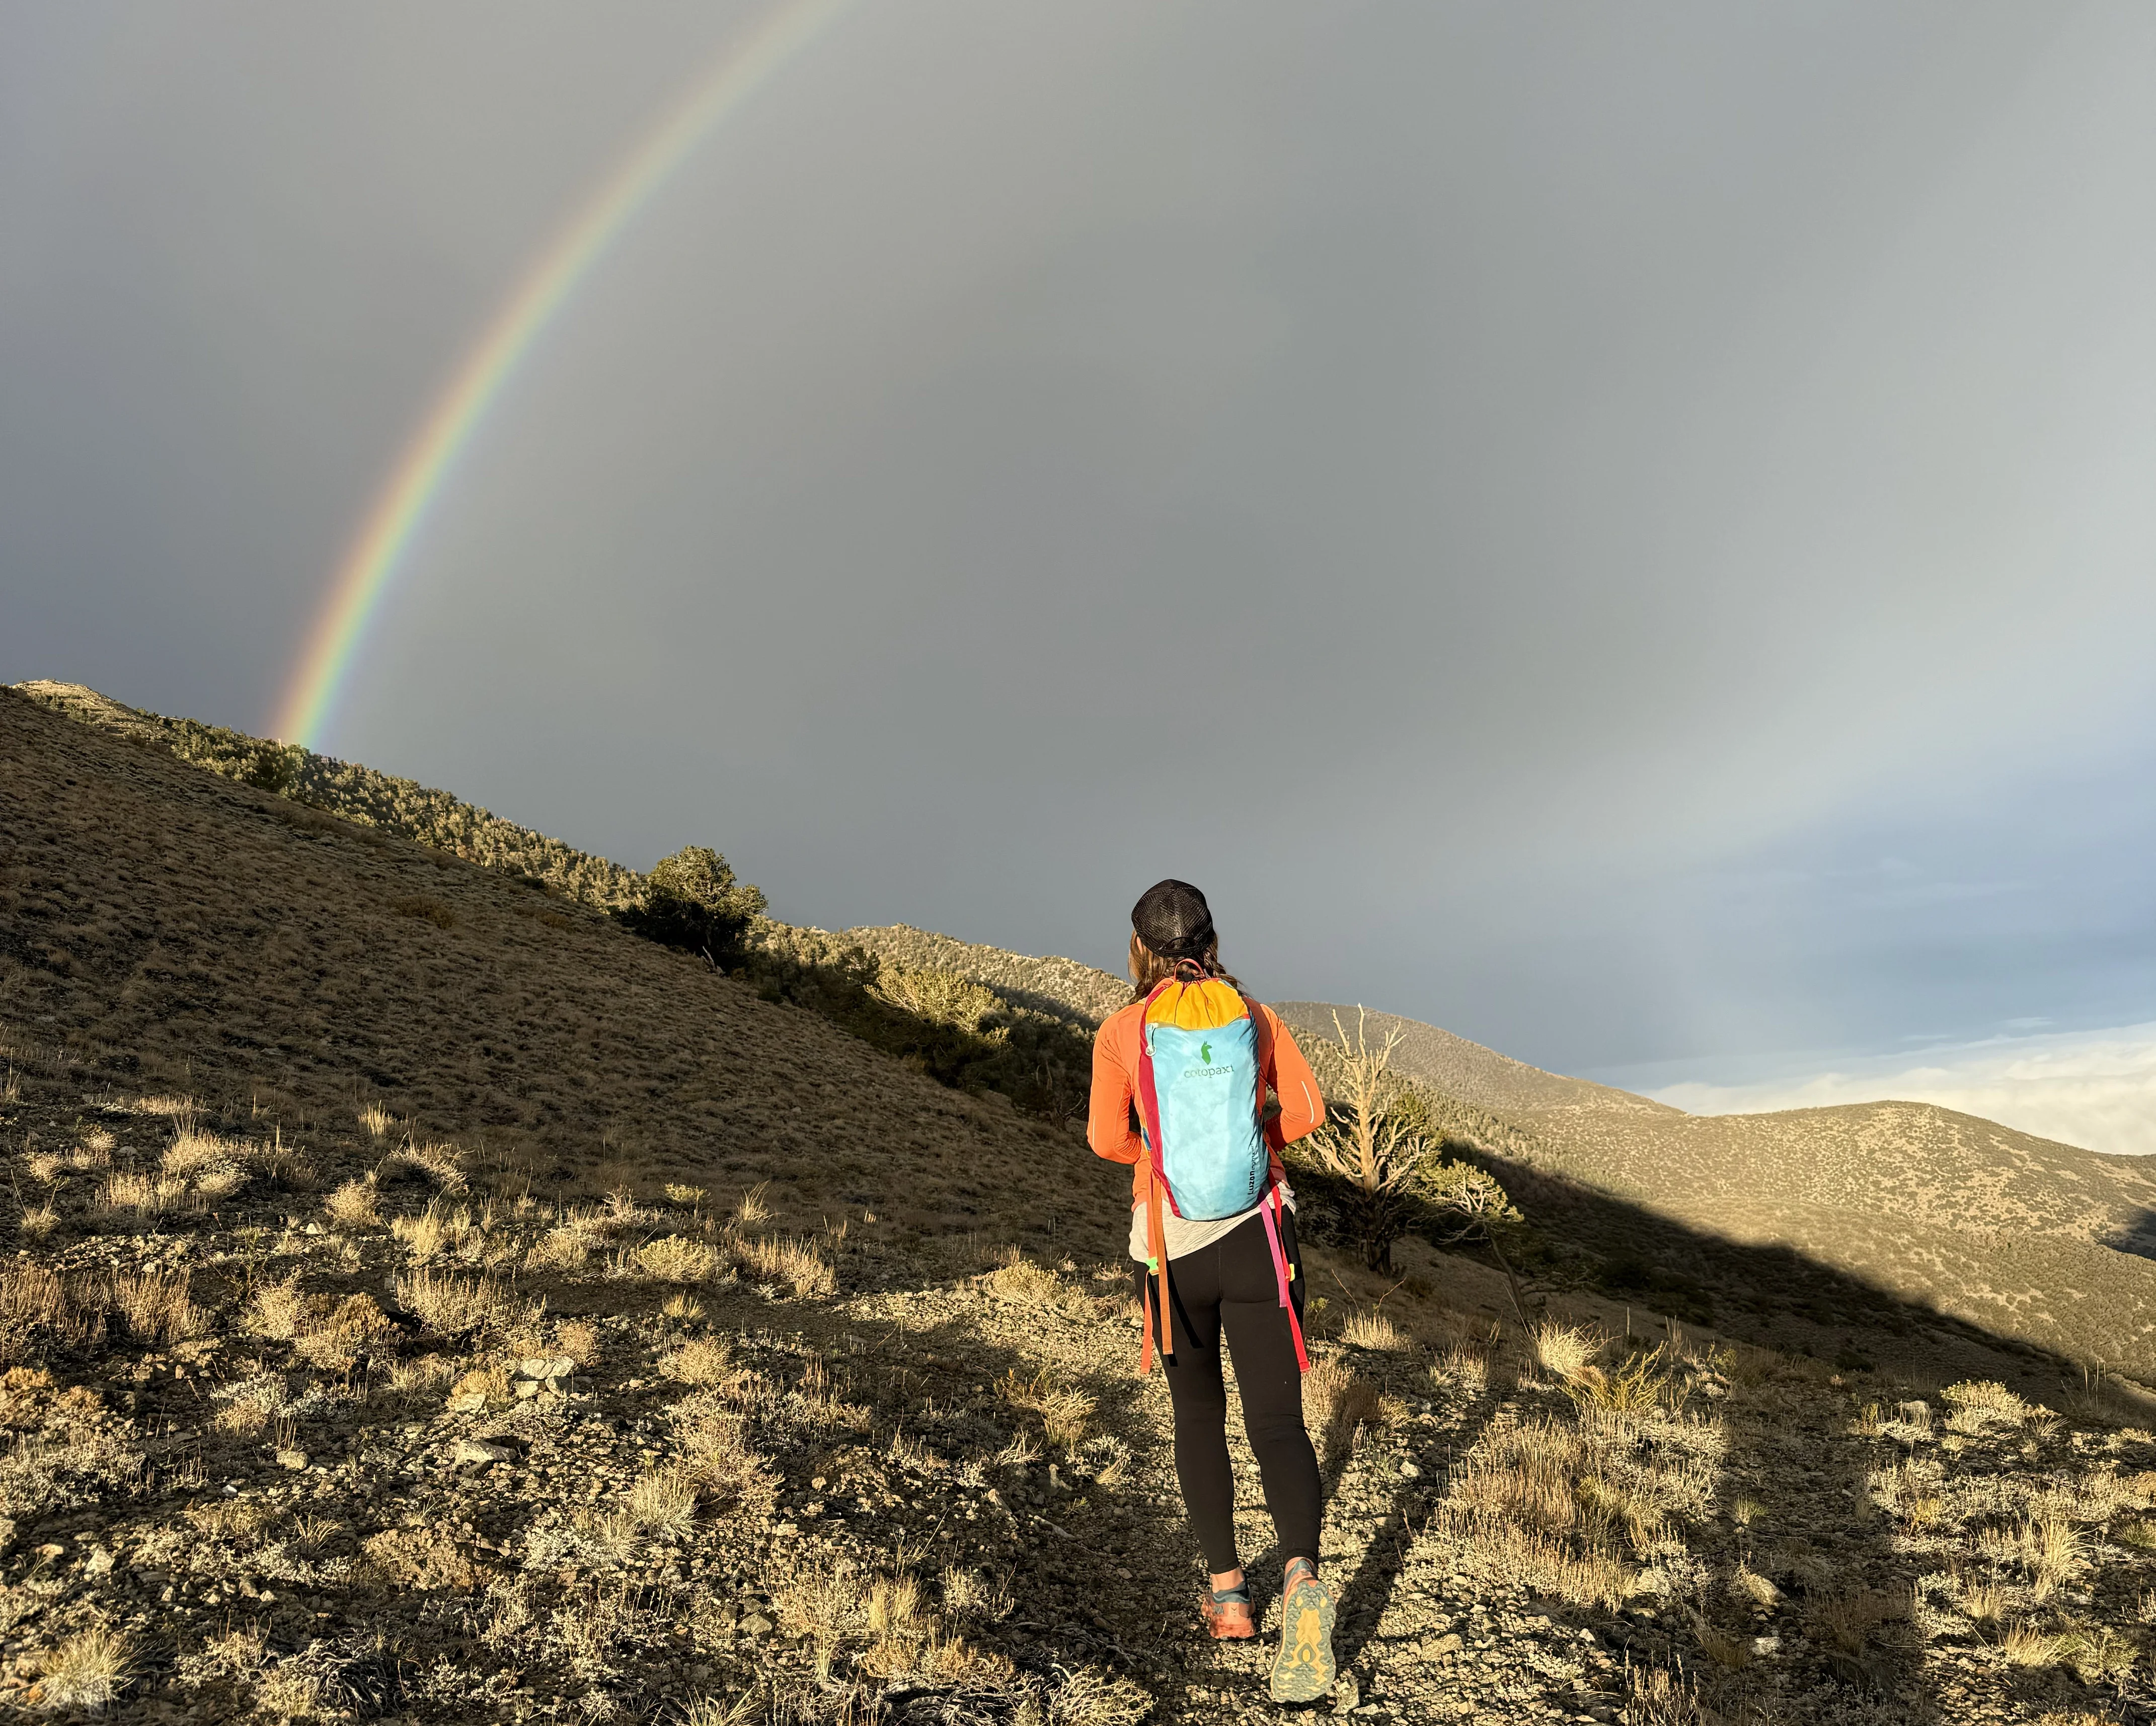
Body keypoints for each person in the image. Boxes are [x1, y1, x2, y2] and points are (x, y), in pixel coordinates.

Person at [1088, 879, 1337, 1704]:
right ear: (1211, 937)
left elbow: (1104, 1138)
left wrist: (1161, 1156)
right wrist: (1254, 1138)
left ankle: (1231, 1594)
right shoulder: (1256, 1017)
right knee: (1276, 1419)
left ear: (1139, 949)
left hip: (1169, 1248)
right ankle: (1302, 1576)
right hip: (1261, 1237)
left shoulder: (1123, 1030)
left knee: (1198, 1414)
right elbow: (1307, 1111)